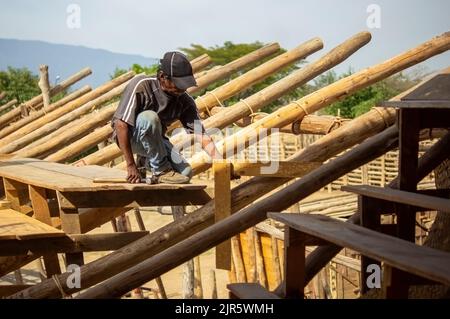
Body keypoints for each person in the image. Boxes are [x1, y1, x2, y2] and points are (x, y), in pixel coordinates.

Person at [112, 51, 218, 184]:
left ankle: (147, 162)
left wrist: (219, 161)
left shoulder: (185, 101)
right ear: (162, 76)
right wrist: (130, 165)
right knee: (149, 118)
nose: (182, 89)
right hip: (130, 137)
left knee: (185, 173)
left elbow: (200, 134)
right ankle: (160, 170)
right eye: (178, 84)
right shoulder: (142, 85)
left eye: (185, 85)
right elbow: (120, 125)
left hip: (156, 140)